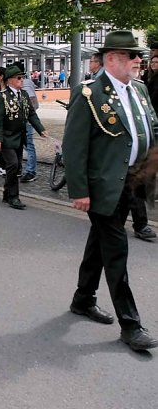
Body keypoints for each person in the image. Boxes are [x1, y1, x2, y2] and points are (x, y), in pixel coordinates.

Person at [62, 30, 158, 352]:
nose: (138, 61)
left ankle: (82, 298)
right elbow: (74, 147)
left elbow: (151, 129)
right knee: (116, 252)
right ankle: (131, 325)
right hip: (103, 187)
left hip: (132, 181)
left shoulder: (139, 90)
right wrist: (79, 191)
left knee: (98, 244)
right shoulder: (89, 94)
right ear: (113, 58)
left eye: (138, 56)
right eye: (133, 56)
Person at [0, 65, 47, 210]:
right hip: (6, 137)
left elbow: (31, 114)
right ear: (9, 80)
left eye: (23, 77)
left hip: (19, 137)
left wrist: (40, 129)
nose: (22, 80)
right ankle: (13, 197)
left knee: (16, 166)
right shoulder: (1, 97)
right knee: (13, 164)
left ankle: (6, 192)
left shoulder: (24, 95)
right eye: (19, 78)